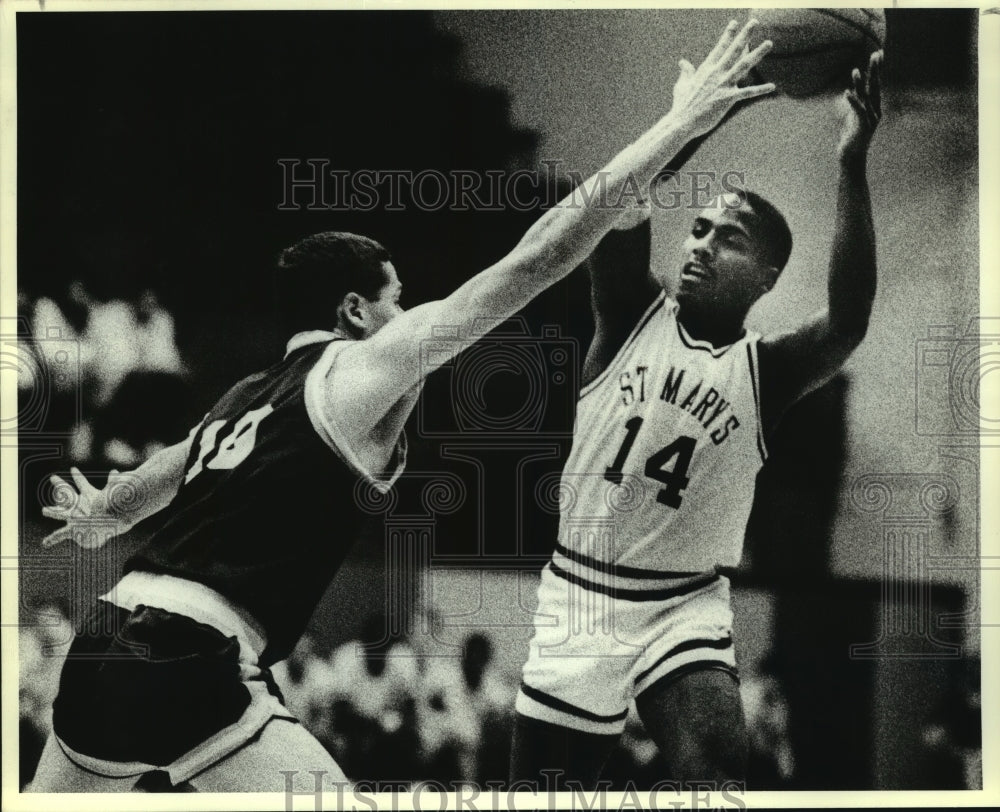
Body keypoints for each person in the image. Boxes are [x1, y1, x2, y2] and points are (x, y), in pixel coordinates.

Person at [28, 19, 775, 793]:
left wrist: (107, 512)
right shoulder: (359, 370)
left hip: (106, 641)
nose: (409, 317)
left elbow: (172, 469)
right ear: (356, 311)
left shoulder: (245, 398)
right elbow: (542, 253)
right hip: (192, 656)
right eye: (398, 301)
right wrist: (680, 124)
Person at [510, 49, 883, 788]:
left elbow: (848, 318)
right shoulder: (628, 310)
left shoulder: (764, 373)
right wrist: (693, 118)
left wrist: (850, 158)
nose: (702, 245)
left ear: (768, 277)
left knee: (716, 769)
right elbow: (628, 193)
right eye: (700, 229)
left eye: (729, 238)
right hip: (581, 595)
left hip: (684, 604)